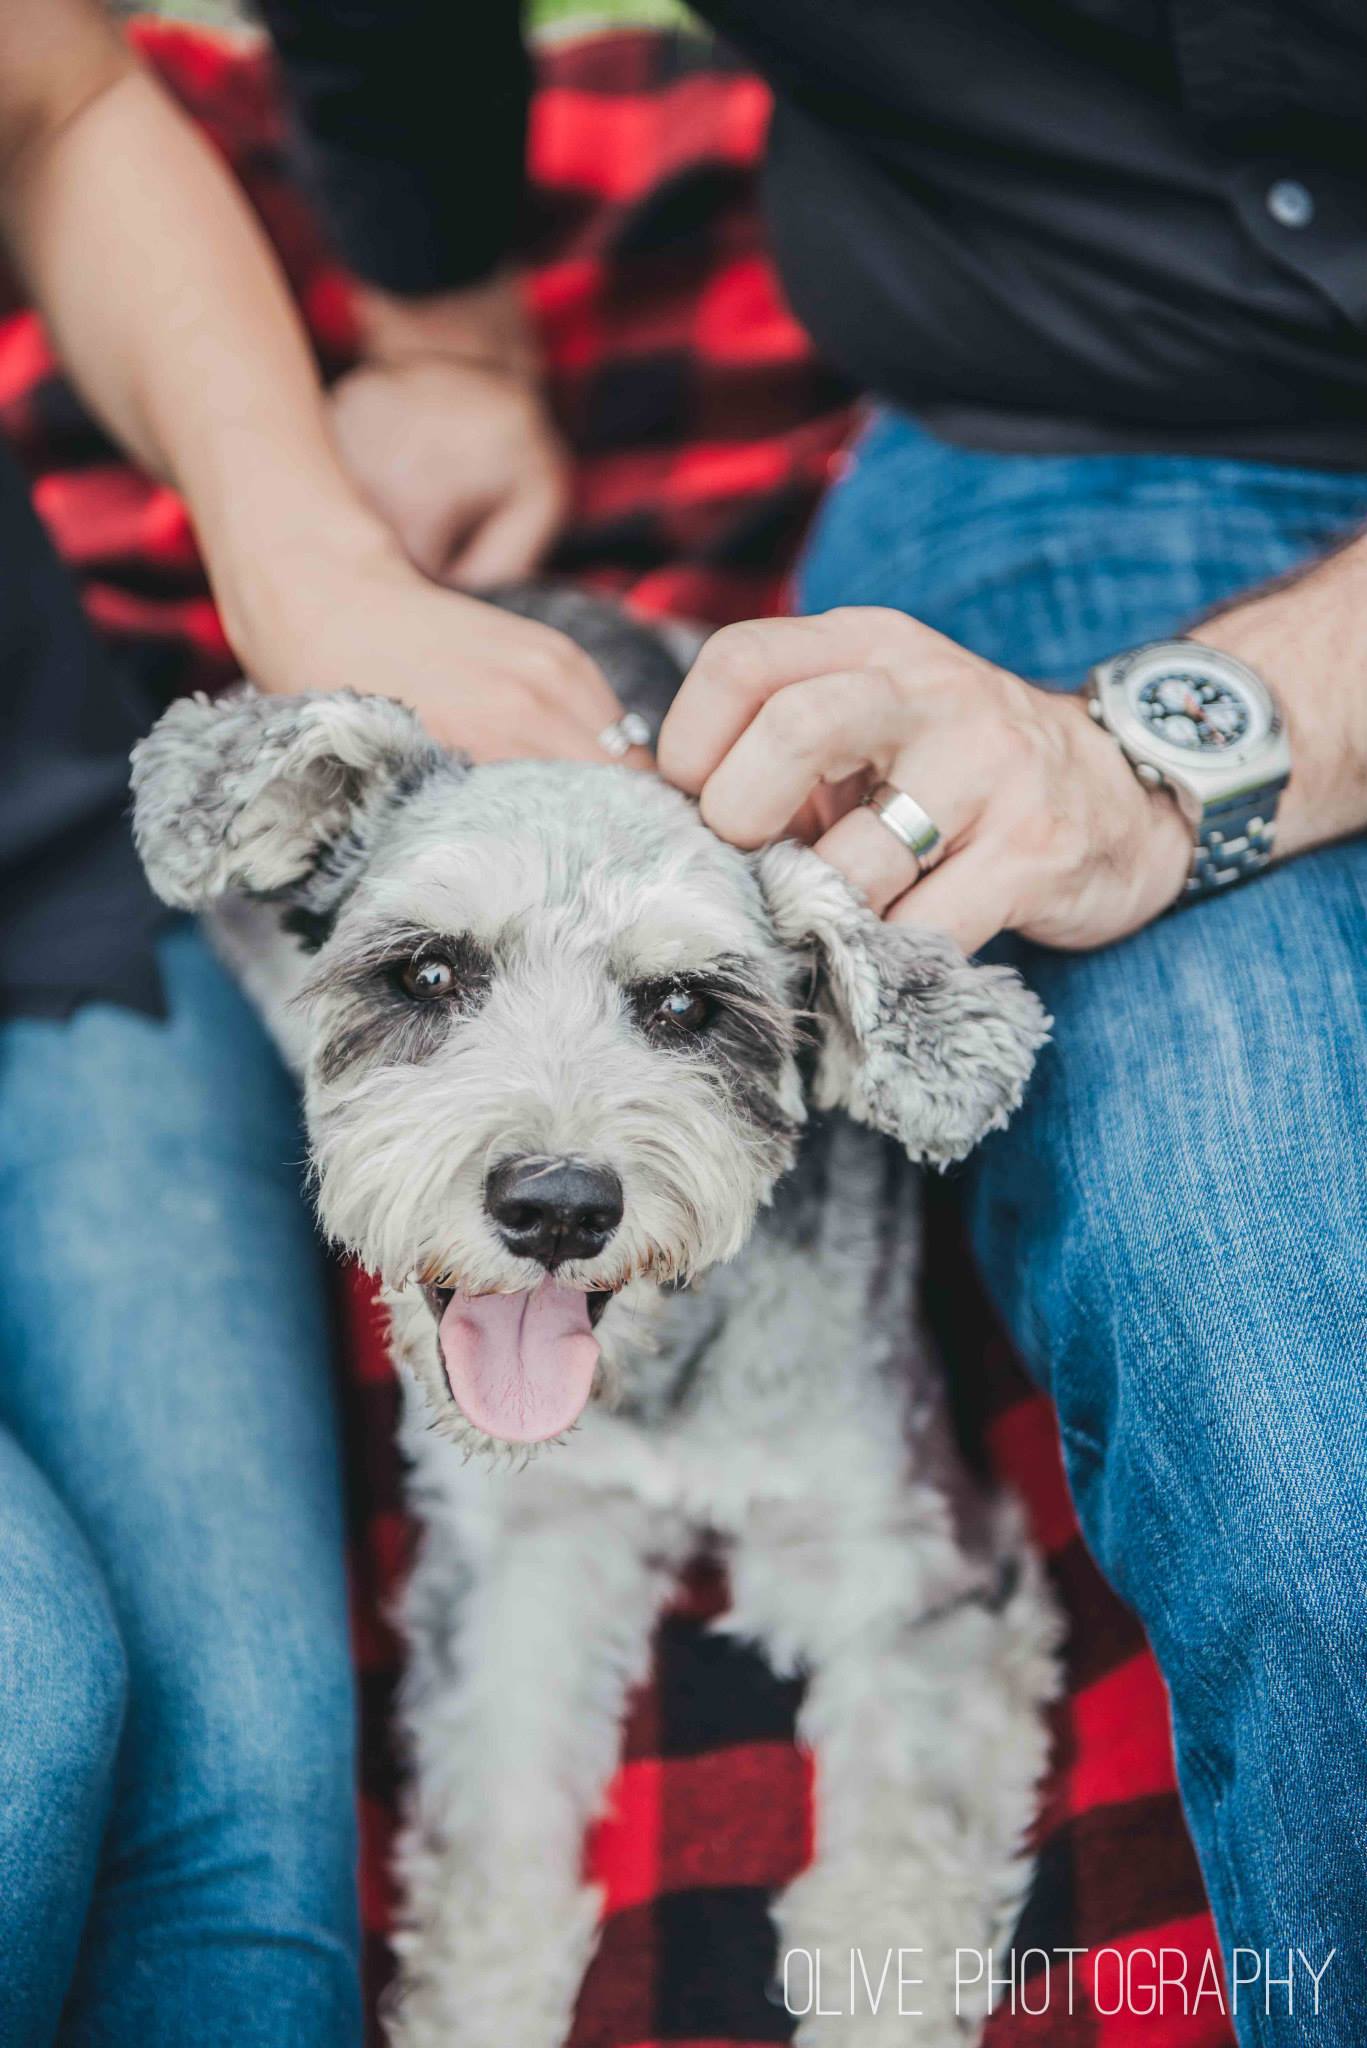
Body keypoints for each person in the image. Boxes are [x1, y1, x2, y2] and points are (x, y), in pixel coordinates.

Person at [254, 3, 1367, 2040]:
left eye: (688, 1005)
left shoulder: (849, 1010)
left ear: (807, 1002)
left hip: (1183, 663)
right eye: (430, 980)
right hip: (1065, 423)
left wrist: (1163, 761)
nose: (555, 1144)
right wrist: (442, 324)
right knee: (1318, 1494)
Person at [0, 4, 645, 2043]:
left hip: (44, 866)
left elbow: (65, 95)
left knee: (249, 1816)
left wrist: (303, 562)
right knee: (30, 1716)